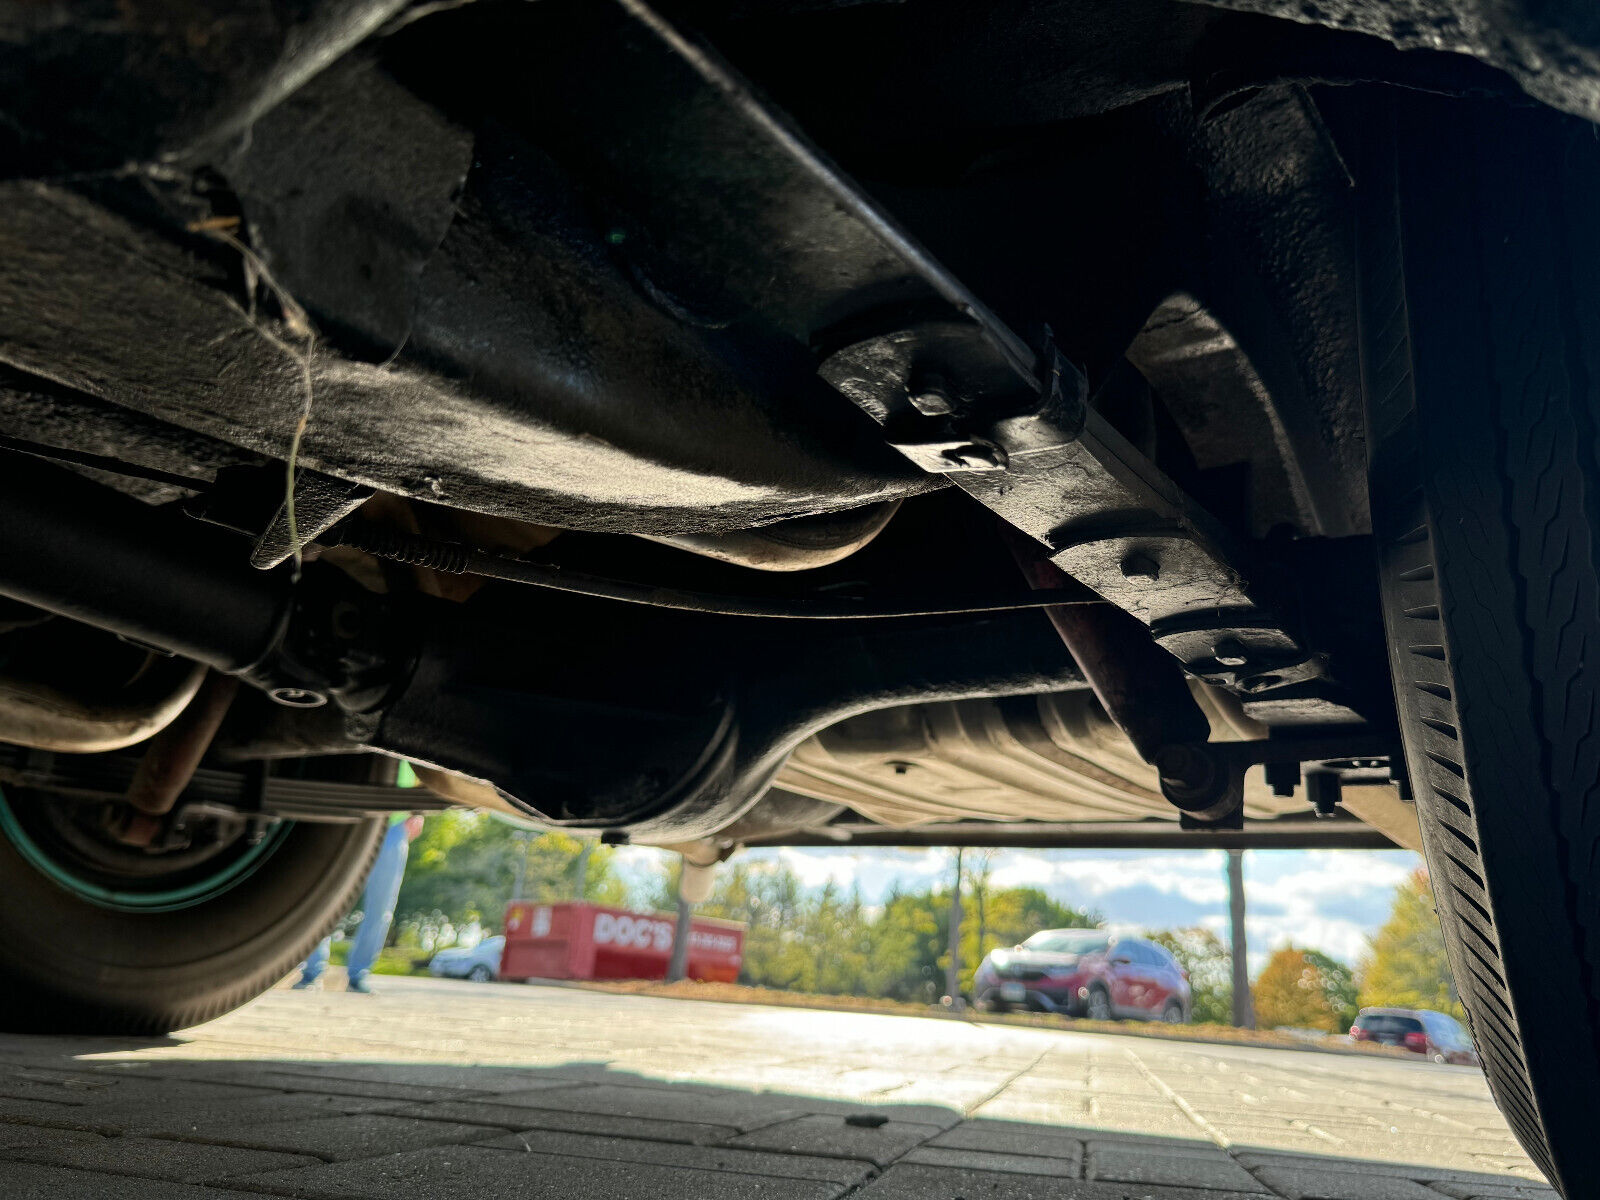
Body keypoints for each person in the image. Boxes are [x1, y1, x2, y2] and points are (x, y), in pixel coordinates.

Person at [292, 813, 425, 993]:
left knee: (381, 909)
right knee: (323, 899)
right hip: (348, 816)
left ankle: (358, 976)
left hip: (392, 824)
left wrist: (419, 813)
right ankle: (311, 973)